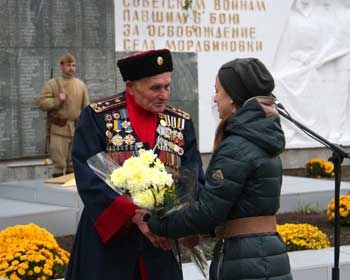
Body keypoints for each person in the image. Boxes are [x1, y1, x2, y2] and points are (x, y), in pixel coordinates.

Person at [144, 58, 293, 280]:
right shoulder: (263, 138)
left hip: (244, 260)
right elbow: (241, 205)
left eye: (217, 91)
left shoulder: (237, 146)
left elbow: (207, 212)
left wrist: (154, 222)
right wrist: (206, 232)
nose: (215, 98)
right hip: (268, 252)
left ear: (232, 96)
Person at [65, 49, 205, 280]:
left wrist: (173, 221)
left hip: (161, 243)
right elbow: (88, 174)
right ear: (131, 86)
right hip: (109, 245)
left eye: (167, 86)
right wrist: (134, 214)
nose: (164, 95)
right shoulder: (99, 117)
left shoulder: (180, 123)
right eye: (155, 88)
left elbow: (194, 176)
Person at [37, 52, 90, 177]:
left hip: (76, 129)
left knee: (73, 162)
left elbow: (87, 107)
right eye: (68, 65)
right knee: (59, 163)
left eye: (73, 65)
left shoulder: (80, 85)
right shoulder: (53, 84)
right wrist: (57, 100)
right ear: (61, 66)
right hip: (59, 129)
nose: (71, 68)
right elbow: (42, 103)